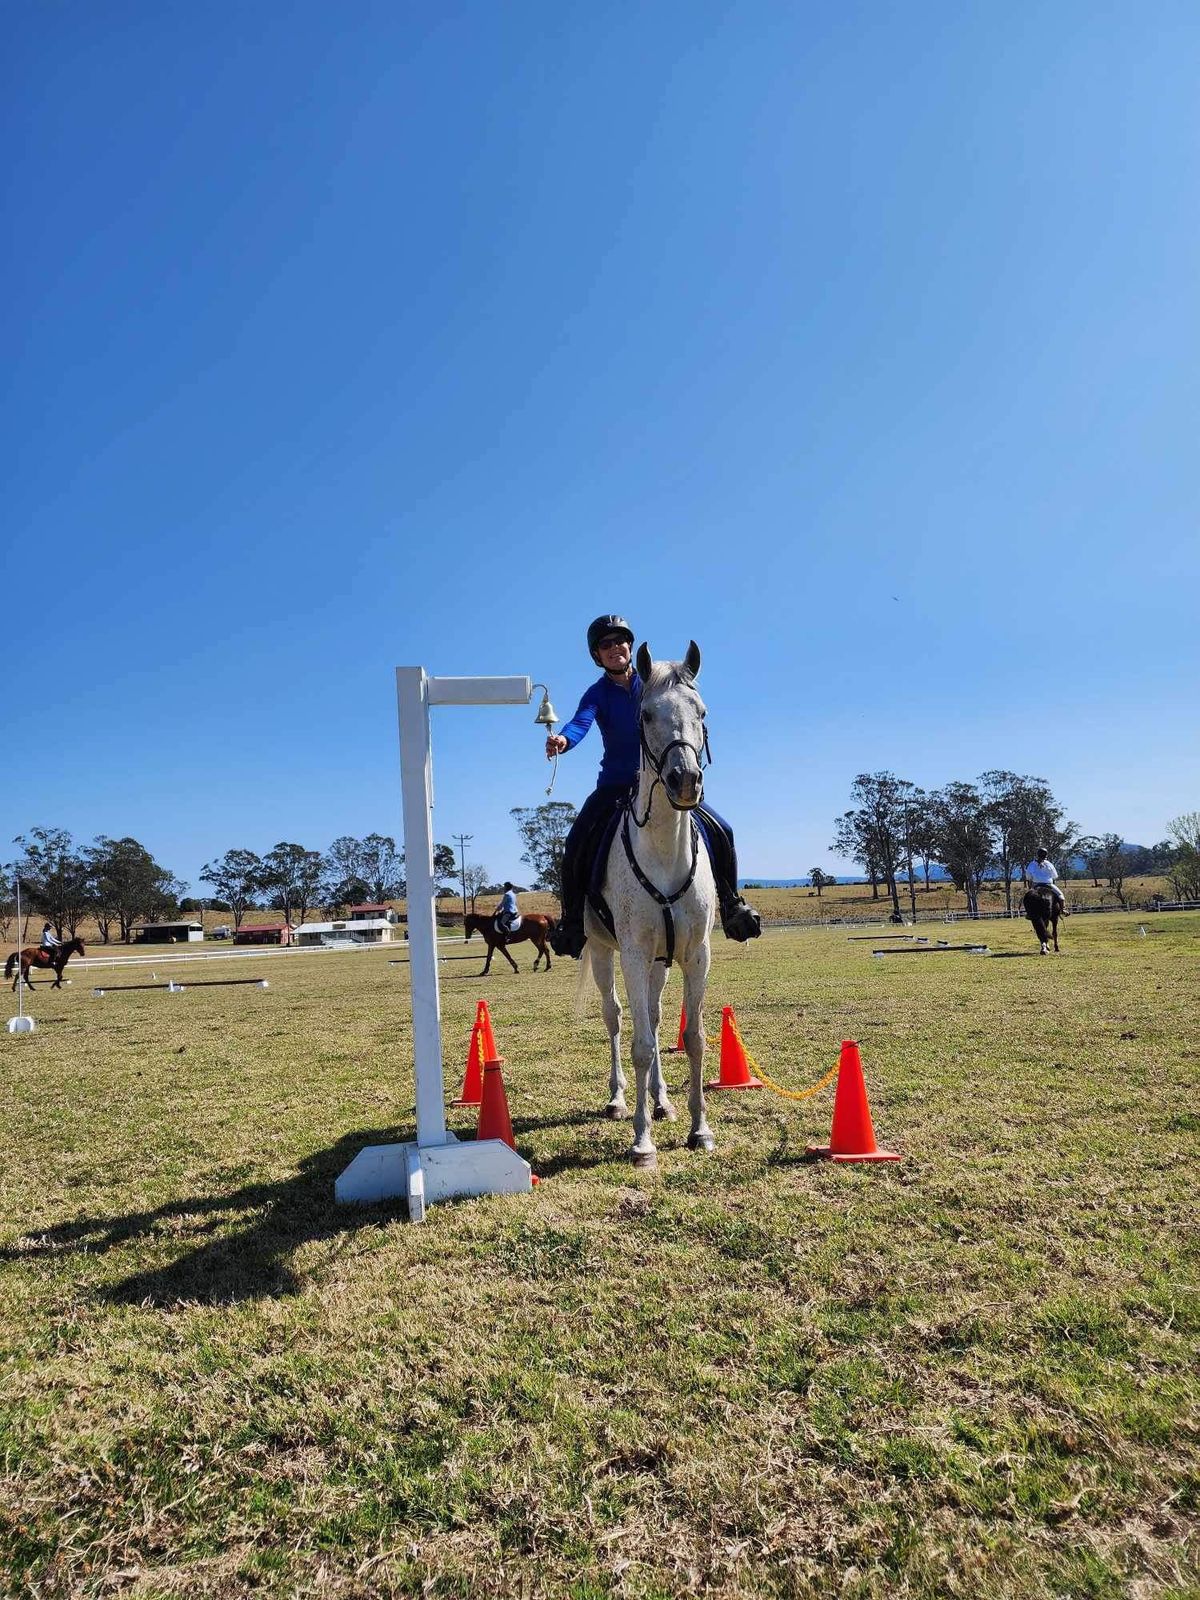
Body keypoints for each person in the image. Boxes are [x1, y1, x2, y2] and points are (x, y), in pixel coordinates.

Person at [547, 614, 761, 959]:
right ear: (596, 655)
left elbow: (681, 708)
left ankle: (731, 903)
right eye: (606, 644)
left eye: (620, 640)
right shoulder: (596, 693)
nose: (615, 647)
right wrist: (563, 740)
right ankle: (572, 921)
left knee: (724, 829)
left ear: (631, 646)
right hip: (616, 786)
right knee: (576, 842)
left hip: (666, 783)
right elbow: (581, 722)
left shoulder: (653, 683)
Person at [1026, 848, 1069, 914]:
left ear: (1038, 855)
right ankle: (1062, 910)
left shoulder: (1031, 864)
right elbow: (1055, 876)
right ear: (1046, 855)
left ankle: (1029, 913)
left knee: (1027, 898)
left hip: (1036, 885)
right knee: (1061, 896)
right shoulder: (1049, 864)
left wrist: (1030, 888)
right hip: (1048, 885)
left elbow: (1029, 877)